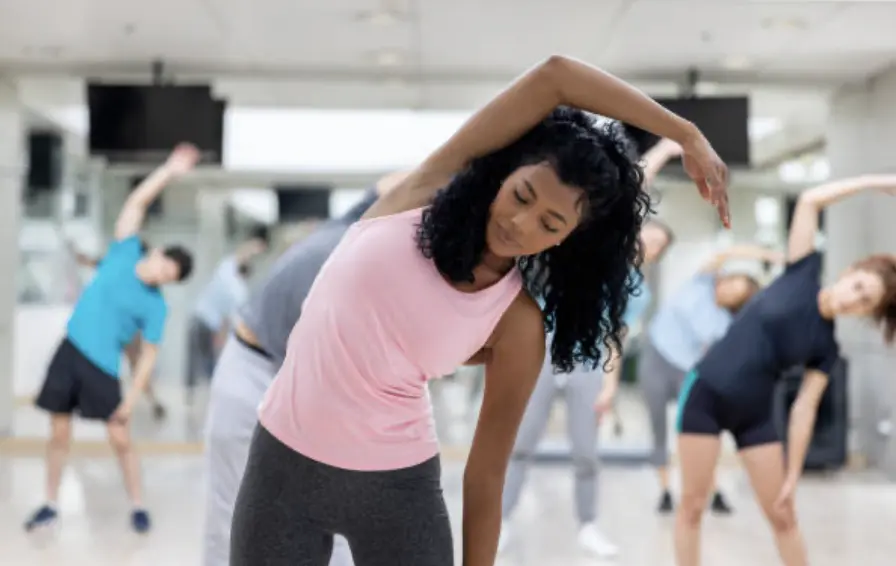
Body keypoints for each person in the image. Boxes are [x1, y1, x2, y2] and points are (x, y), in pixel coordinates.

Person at [230, 55, 729, 566]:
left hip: (395, 489)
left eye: (550, 223)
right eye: (522, 195)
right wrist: (684, 131)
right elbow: (555, 75)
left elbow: (487, 473)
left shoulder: (518, 324)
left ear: (564, 242)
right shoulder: (419, 194)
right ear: (504, 174)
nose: (520, 222)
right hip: (281, 467)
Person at [673, 174, 896, 566]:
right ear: (848, 273)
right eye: (859, 287)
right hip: (705, 394)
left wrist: (792, 474)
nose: (854, 299)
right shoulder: (802, 271)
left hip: (754, 417)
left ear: (866, 314)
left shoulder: (827, 349)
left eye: (866, 302)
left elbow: (804, 411)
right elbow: (810, 199)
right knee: (692, 506)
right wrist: (876, 182)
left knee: (783, 515)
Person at [201, 172, 407, 566]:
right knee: (230, 519)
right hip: (253, 366)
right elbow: (397, 183)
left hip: (316, 380)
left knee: (341, 517)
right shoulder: (359, 224)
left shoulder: (400, 265)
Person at [497, 138, 682, 559]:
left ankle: (588, 526)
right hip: (539, 351)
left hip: (587, 361)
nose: (645, 245)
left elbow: (615, 336)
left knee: (586, 452)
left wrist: (609, 386)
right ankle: (501, 520)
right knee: (521, 443)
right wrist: (667, 149)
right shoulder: (599, 250)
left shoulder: (635, 291)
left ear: (657, 256)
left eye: (655, 245)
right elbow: (633, 188)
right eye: (644, 235)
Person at [24, 144, 198, 534]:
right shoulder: (124, 250)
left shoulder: (156, 307)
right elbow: (137, 201)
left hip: (103, 366)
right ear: (157, 254)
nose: (160, 276)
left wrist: (133, 399)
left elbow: (149, 356)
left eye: (169, 278)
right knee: (58, 433)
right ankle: (49, 503)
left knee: (120, 440)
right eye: (164, 267)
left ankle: (137, 504)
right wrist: (168, 171)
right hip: (69, 350)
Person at [642, 244, 783, 515]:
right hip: (656, 358)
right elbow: (725, 253)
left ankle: (713, 491)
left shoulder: (725, 324)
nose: (728, 288)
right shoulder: (701, 283)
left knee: (695, 430)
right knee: (657, 426)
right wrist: (767, 256)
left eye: (736, 292)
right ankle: (664, 492)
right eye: (731, 282)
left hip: (687, 370)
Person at [66, 240, 168, 420]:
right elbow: (95, 263)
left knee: (134, 365)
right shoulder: (127, 267)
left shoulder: (143, 272)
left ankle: (149, 401)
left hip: (129, 330)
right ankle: (149, 401)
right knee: (130, 365)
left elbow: (95, 262)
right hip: (121, 330)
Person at [186, 228, 270, 403]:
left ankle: (190, 396)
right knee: (208, 360)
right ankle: (213, 392)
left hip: (198, 317)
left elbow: (239, 255)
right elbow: (235, 320)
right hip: (210, 324)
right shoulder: (240, 291)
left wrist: (252, 247)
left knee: (194, 359)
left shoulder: (225, 270)